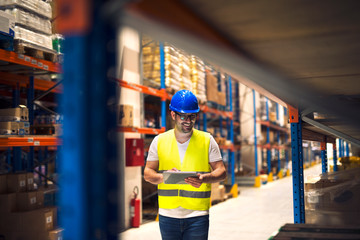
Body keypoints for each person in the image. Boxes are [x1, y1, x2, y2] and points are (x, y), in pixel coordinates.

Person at [144, 89, 227, 240]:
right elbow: (147, 173)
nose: (188, 121)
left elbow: (221, 171)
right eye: (183, 116)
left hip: (197, 216)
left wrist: (205, 178)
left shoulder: (207, 140)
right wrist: (166, 177)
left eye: (192, 116)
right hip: (168, 216)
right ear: (173, 115)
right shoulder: (159, 141)